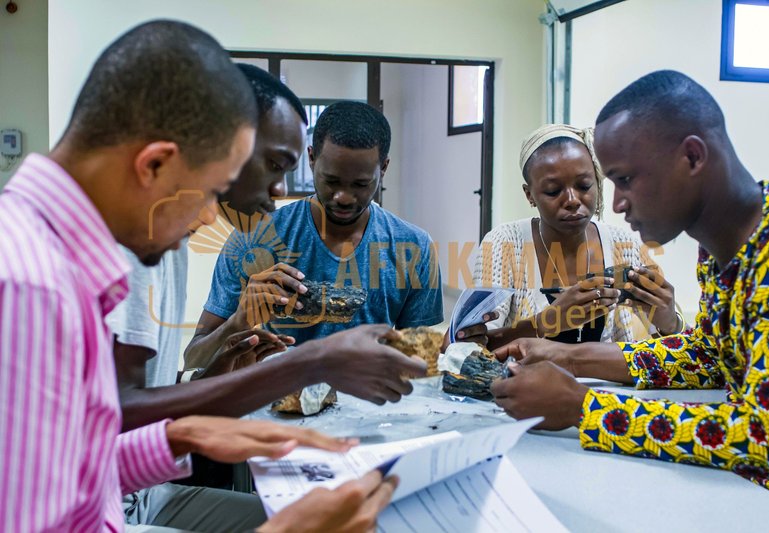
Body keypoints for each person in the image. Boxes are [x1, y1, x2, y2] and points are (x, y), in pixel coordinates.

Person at [0, 20, 399, 532]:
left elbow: (77, 471)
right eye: (212, 192)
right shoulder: (28, 284)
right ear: (155, 166)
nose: (211, 218)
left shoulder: (59, 260)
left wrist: (182, 437)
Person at [109, 64, 427, 531]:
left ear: (383, 171)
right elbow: (116, 419)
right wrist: (294, 360)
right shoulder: (134, 247)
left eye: (360, 184)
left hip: (138, 491)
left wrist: (200, 418)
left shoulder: (409, 245)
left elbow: (112, 429)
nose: (280, 190)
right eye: (274, 165)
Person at [491, 70, 769, 504]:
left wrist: (585, 406)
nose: (615, 203)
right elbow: (710, 356)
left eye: (626, 180)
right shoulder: (723, 247)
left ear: (692, 158)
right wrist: (569, 354)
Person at [186, 100, 444, 365]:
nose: (343, 197)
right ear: (311, 158)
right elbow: (194, 359)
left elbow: (422, 361)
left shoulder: (415, 247)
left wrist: (458, 347)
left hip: (373, 398)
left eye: (361, 184)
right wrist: (240, 318)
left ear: (384, 168)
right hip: (280, 397)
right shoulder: (255, 237)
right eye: (331, 181)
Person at [464, 124, 682, 351]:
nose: (572, 200)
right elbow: (474, 345)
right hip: (522, 383)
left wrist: (670, 323)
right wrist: (547, 321)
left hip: (606, 386)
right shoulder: (505, 244)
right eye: (552, 191)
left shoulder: (623, 245)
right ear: (529, 195)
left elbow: (673, 348)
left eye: (584, 185)